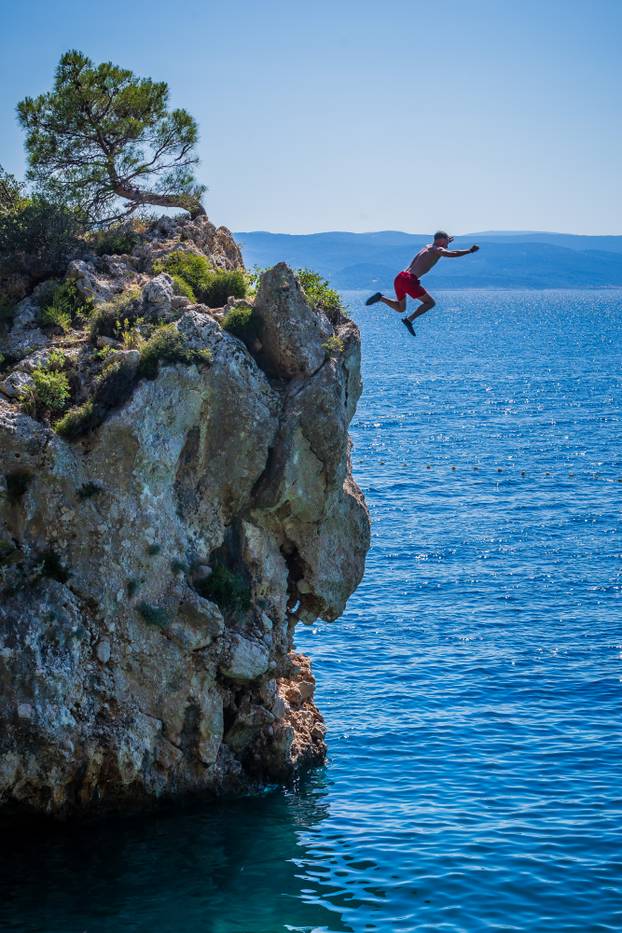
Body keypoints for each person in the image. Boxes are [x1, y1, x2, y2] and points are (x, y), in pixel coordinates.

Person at [365, 231, 480, 336]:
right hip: (409, 280)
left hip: (400, 277)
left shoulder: (429, 246)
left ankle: (381, 298)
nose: (448, 246)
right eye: (446, 242)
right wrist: (469, 251)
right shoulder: (438, 249)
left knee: (401, 308)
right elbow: (451, 253)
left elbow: (439, 244)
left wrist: (446, 241)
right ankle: (408, 320)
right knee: (430, 303)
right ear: (441, 240)